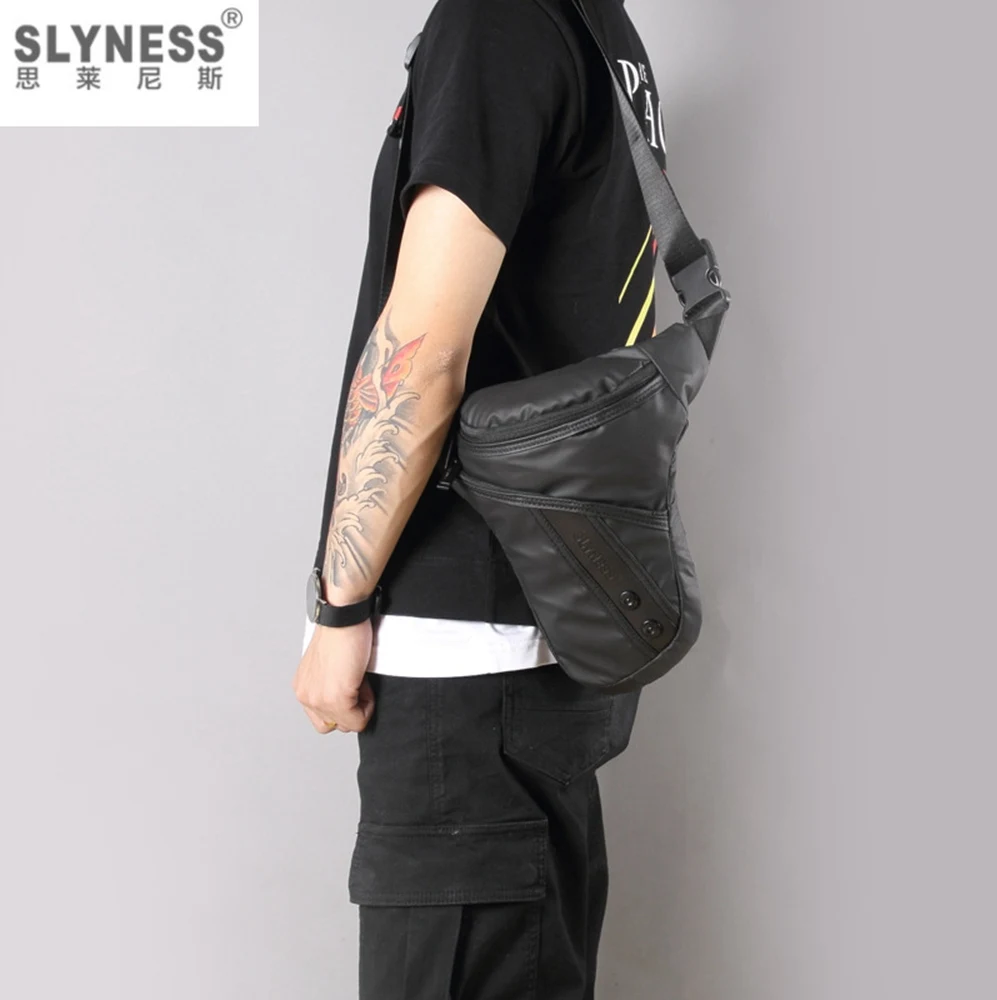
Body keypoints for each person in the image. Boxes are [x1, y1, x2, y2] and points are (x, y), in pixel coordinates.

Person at [293, 0, 670, 995]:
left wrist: (338, 607)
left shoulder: (497, 20)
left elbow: (423, 349)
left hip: (462, 677)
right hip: (552, 624)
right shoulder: (599, 29)